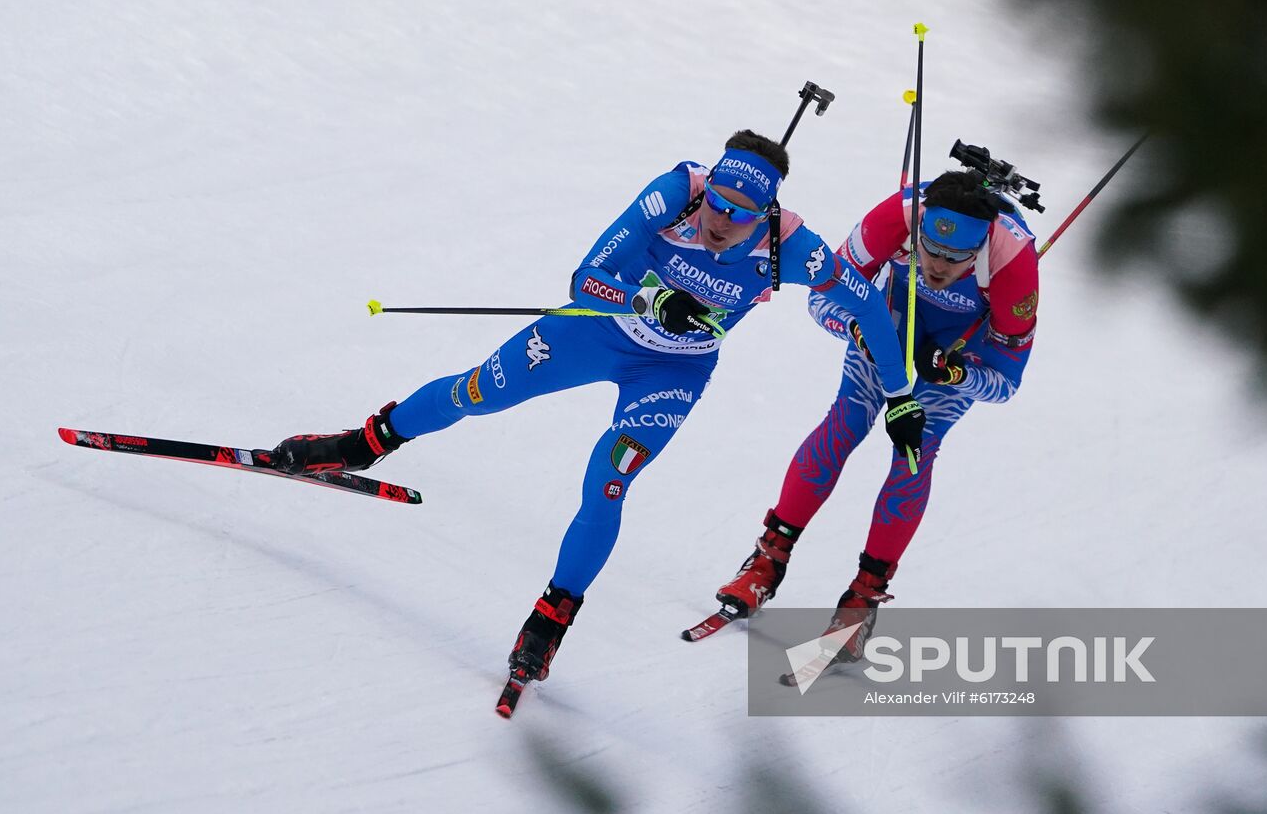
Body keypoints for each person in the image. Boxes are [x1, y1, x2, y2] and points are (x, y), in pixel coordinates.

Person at [262, 130, 926, 704]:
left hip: (673, 372)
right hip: (596, 328)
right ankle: (364, 443)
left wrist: (899, 395)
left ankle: (550, 618)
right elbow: (586, 279)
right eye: (718, 205)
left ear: (767, 215)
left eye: (740, 215)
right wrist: (650, 299)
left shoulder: (794, 248)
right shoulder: (676, 194)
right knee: (476, 393)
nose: (720, 222)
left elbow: (868, 306)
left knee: (608, 481)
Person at [706, 169, 1040, 660]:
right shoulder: (895, 216)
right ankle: (766, 562)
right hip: (887, 324)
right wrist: (861, 332)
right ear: (919, 226)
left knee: (914, 450)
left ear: (980, 248)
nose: (938, 265)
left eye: (956, 258)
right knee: (845, 422)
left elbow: (1005, 383)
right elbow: (821, 298)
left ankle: (862, 600)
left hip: (958, 350)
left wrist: (956, 374)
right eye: (930, 248)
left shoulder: (1013, 261)